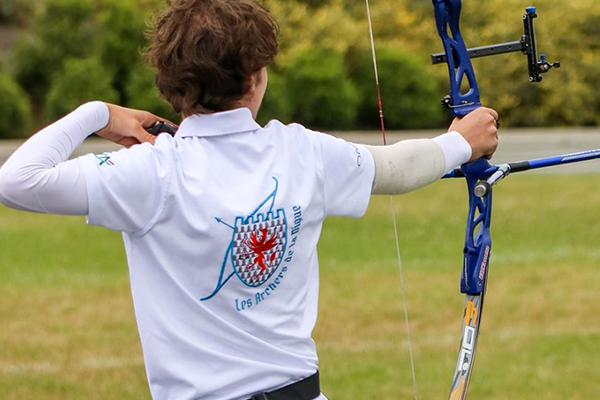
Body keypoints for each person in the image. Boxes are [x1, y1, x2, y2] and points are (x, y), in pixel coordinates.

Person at [0, 0, 498, 399]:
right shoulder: (300, 151)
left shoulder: (150, 172)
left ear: (171, 84)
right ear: (256, 75)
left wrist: (96, 113)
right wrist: (463, 140)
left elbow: (17, 181)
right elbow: (397, 170)